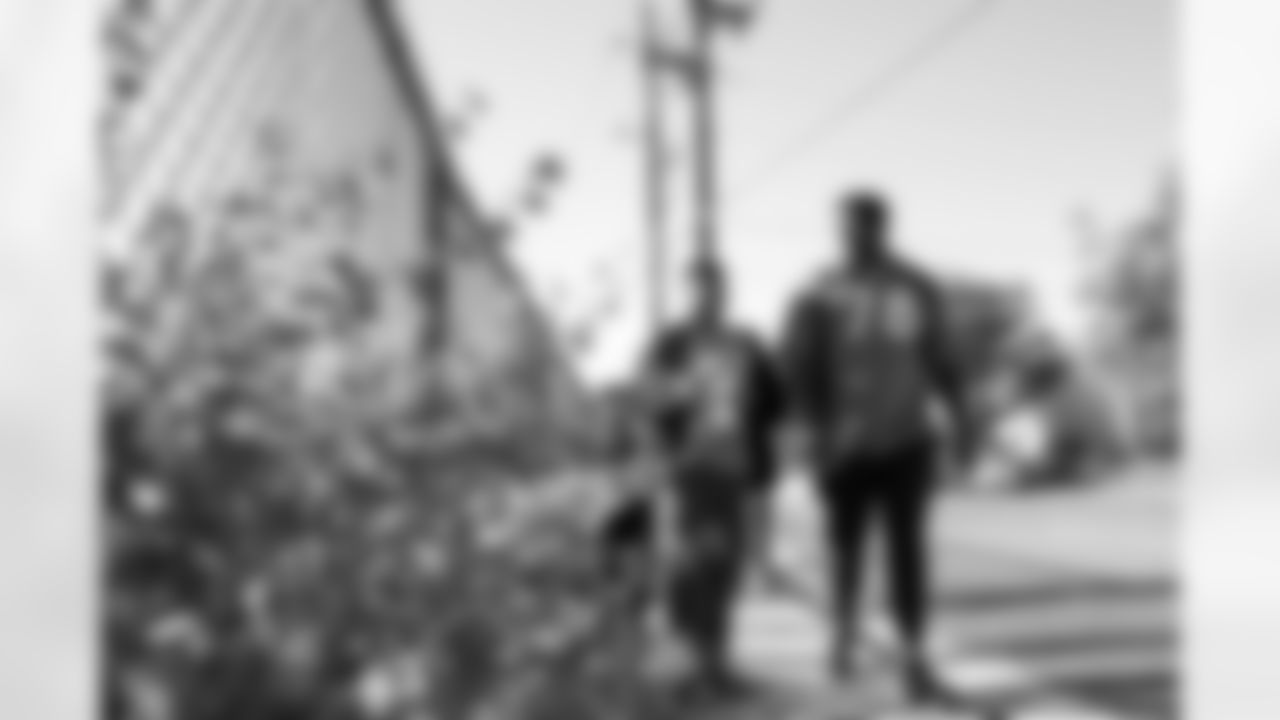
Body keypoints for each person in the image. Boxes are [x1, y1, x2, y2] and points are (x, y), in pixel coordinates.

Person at [781, 190, 974, 700]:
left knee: (907, 550)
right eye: (844, 228)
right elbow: (799, 369)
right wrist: (810, 434)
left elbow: (943, 359)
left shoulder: (915, 287)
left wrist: (963, 422)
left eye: (862, 227)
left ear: (882, 229)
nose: (851, 237)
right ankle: (841, 641)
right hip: (842, 446)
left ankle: (913, 657)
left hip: (907, 439)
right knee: (844, 548)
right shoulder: (819, 291)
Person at [640, 257, 786, 694]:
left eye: (718, 287)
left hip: (732, 467)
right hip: (689, 468)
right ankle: (687, 668)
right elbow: (649, 398)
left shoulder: (744, 342)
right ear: (691, 291)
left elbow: (775, 401)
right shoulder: (672, 342)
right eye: (702, 287)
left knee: (725, 566)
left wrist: (762, 453)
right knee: (691, 569)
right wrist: (680, 393)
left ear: (726, 292)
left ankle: (716, 664)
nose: (711, 296)